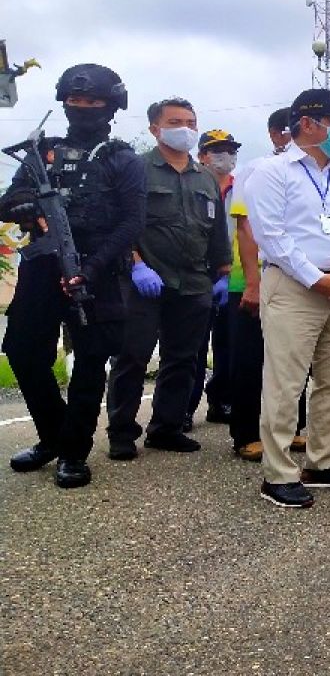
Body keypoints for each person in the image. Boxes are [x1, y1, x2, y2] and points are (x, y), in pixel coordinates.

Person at [1, 64, 145, 488]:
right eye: (75, 101)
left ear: (111, 106)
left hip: (97, 270)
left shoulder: (122, 158)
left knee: (90, 361)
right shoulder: (40, 151)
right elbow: (9, 200)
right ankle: (53, 436)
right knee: (23, 351)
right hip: (43, 266)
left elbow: (132, 223)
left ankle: (74, 453)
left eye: (93, 102)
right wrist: (26, 205)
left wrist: (91, 266)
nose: (83, 109)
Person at [244, 89, 330, 508]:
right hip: (294, 285)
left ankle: (324, 460)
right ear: (307, 123)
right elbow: (271, 234)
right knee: (286, 380)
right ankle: (278, 473)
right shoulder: (272, 171)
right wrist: (315, 279)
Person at [105, 98, 232, 459]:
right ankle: (122, 432)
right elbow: (120, 224)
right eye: (176, 121)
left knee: (184, 358)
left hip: (193, 283)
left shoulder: (205, 176)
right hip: (145, 279)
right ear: (154, 129)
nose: (186, 128)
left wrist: (222, 273)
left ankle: (166, 427)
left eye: (191, 122)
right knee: (132, 357)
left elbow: (217, 231)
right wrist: (135, 264)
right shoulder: (137, 170)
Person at [226, 110, 306, 462]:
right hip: (256, 278)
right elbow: (245, 228)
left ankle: (292, 427)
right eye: (292, 130)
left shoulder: (310, 173)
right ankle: (245, 433)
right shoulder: (255, 170)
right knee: (251, 358)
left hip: (298, 279)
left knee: (293, 357)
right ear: (275, 134)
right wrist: (253, 283)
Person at [186, 129, 241, 428]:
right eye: (217, 150)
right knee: (193, 345)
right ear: (202, 156)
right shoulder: (193, 185)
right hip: (196, 273)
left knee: (229, 344)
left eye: (230, 150)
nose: (226, 156)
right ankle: (184, 408)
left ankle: (222, 401)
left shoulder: (242, 188)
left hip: (231, 276)